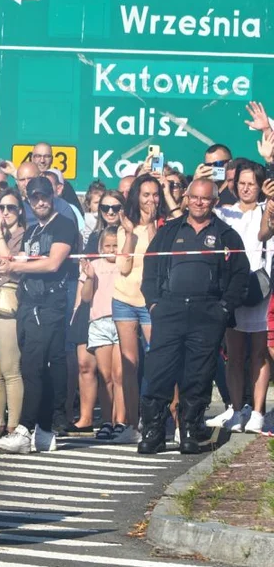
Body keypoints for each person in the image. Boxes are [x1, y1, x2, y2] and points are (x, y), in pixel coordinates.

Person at [139, 178, 249, 454]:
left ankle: (189, 430)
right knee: (159, 372)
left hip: (207, 313)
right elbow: (150, 268)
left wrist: (224, 309)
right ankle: (153, 432)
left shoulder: (227, 235)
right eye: (195, 198)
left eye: (205, 199)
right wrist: (154, 304)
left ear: (214, 202)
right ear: (187, 199)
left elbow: (239, 276)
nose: (199, 203)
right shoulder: (169, 231)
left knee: (198, 375)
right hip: (169, 310)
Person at [0, 176, 80, 454]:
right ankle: (45, 429)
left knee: (32, 366)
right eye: (34, 197)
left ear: (52, 196)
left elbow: (53, 263)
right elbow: (12, 260)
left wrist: (16, 269)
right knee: (43, 367)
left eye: (44, 196)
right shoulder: (32, 232)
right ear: (28, 200)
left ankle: (25, 427)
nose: (40, 202)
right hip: (28, 302)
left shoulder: (64, 225)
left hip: (49, 303)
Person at [215, 161, 271, 433]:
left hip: (260, 286)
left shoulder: (266, 208)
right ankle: (237, 410)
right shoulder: (226, 213)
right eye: (241, 183)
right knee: (234, 355)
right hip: (233, 289)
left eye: (251, 183)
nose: (246, 188)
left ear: (260, 186)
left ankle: (258, 411)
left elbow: (265, 232)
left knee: (259, 353)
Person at [111, 175, 165, 443]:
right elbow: (123, 267)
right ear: (137, 197)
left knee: (158, 361)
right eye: (145, 195)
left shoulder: (164, 226)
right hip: (124, 299)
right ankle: (132, 424)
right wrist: (130, 233)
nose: (150, 200)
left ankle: (162, 419)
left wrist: (154, 224)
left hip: (151, 302)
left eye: (155, 194)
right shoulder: (126, 227)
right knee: (129, 365)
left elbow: (157, 256)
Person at [0, 189, 25, 436]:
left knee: (11, 370)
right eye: (1, 208)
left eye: (11, 208)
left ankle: (13, 427)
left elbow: (4, 264)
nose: (6, 213)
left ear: (20, 210)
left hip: (9, 302)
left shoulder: (23, 235)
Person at [82, 230, 126, 440]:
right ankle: (107, 420)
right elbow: (85, 297)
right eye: (107, 246)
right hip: (99, 323)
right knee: (105, 376)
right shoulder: (95, 265)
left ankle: (122, 421)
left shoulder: (123, 264)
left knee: (120, 375)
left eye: (115, 246)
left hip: (120, 321)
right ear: (100, 247)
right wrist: (89, 278)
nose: (111, 250)